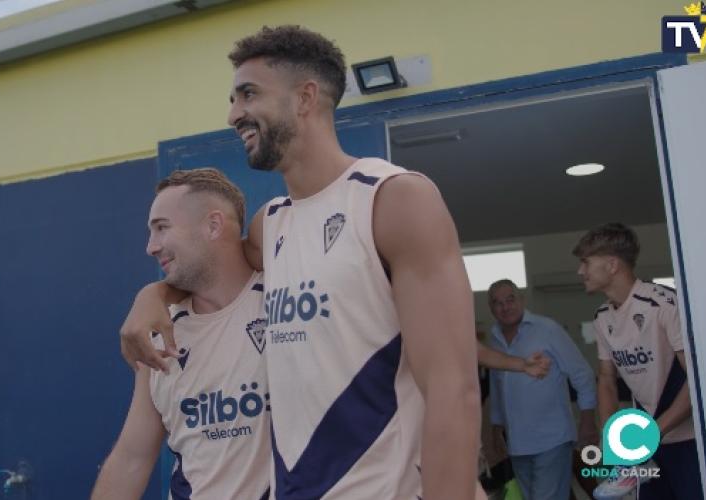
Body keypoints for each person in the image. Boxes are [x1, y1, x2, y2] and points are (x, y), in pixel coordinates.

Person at [121, 25, 484, 499]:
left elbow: (453, 392)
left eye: (248, 94)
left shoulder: (393, 199)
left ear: (305, 97)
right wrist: (154, 294)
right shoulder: (269, 225)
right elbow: (207, 269)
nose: (234, 114)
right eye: (232, 98)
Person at [91, 169, 270, 499]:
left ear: (213, 226)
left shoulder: (286, 300)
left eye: (162, 228)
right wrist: (153, 294)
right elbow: (131, 459)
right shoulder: (159, 336)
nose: (150, 247)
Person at [573, 223, 702, 500]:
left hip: (688, 440)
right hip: (647, 446)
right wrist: (615, 443)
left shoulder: (664, 304)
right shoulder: (602, 317)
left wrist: (648, 437)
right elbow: (606, 379)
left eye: (585, 262)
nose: (580, 271)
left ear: (611, 264)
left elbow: (697, 379)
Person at [487, 279, 598, 500]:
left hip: (552, 439)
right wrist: (496, 427)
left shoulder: (547, 329)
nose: (505, 307)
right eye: (497, 303)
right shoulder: (494, 338)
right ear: (491, 308)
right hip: (517, 443)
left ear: (522, 300)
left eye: (510, 299)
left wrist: (587, 420)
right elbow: (496, 384)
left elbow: (582, 374)